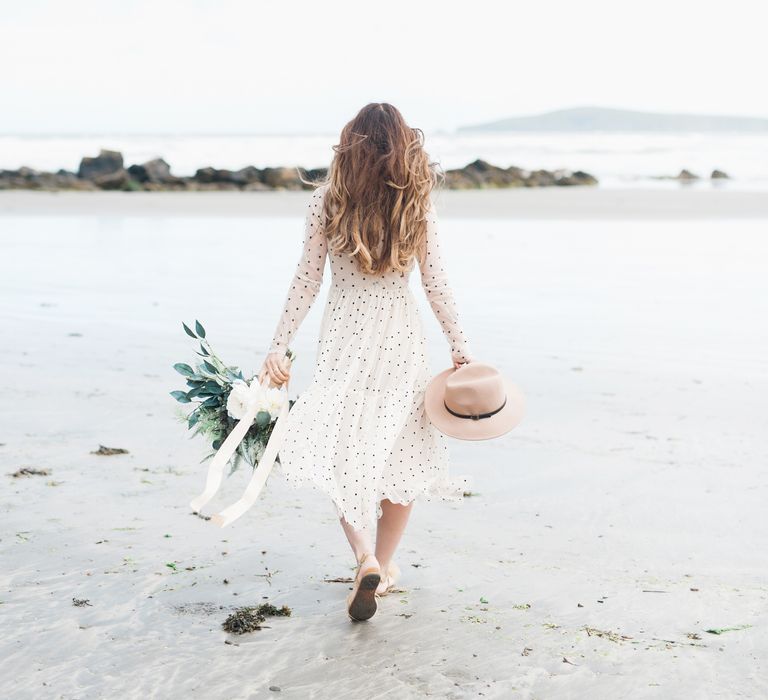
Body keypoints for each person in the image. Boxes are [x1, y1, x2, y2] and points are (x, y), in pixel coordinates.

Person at [259, 103, 473, 621]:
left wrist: (279, 344)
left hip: (344, 338)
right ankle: (387, 565)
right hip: (402, 337)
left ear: (349, 145)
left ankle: (365, 557)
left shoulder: (326, 200)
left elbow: (307, 280)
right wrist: (460, 346)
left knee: (343, 446)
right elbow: (435, 283)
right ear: (405, 147)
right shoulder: (418, 204)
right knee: (402, 446)